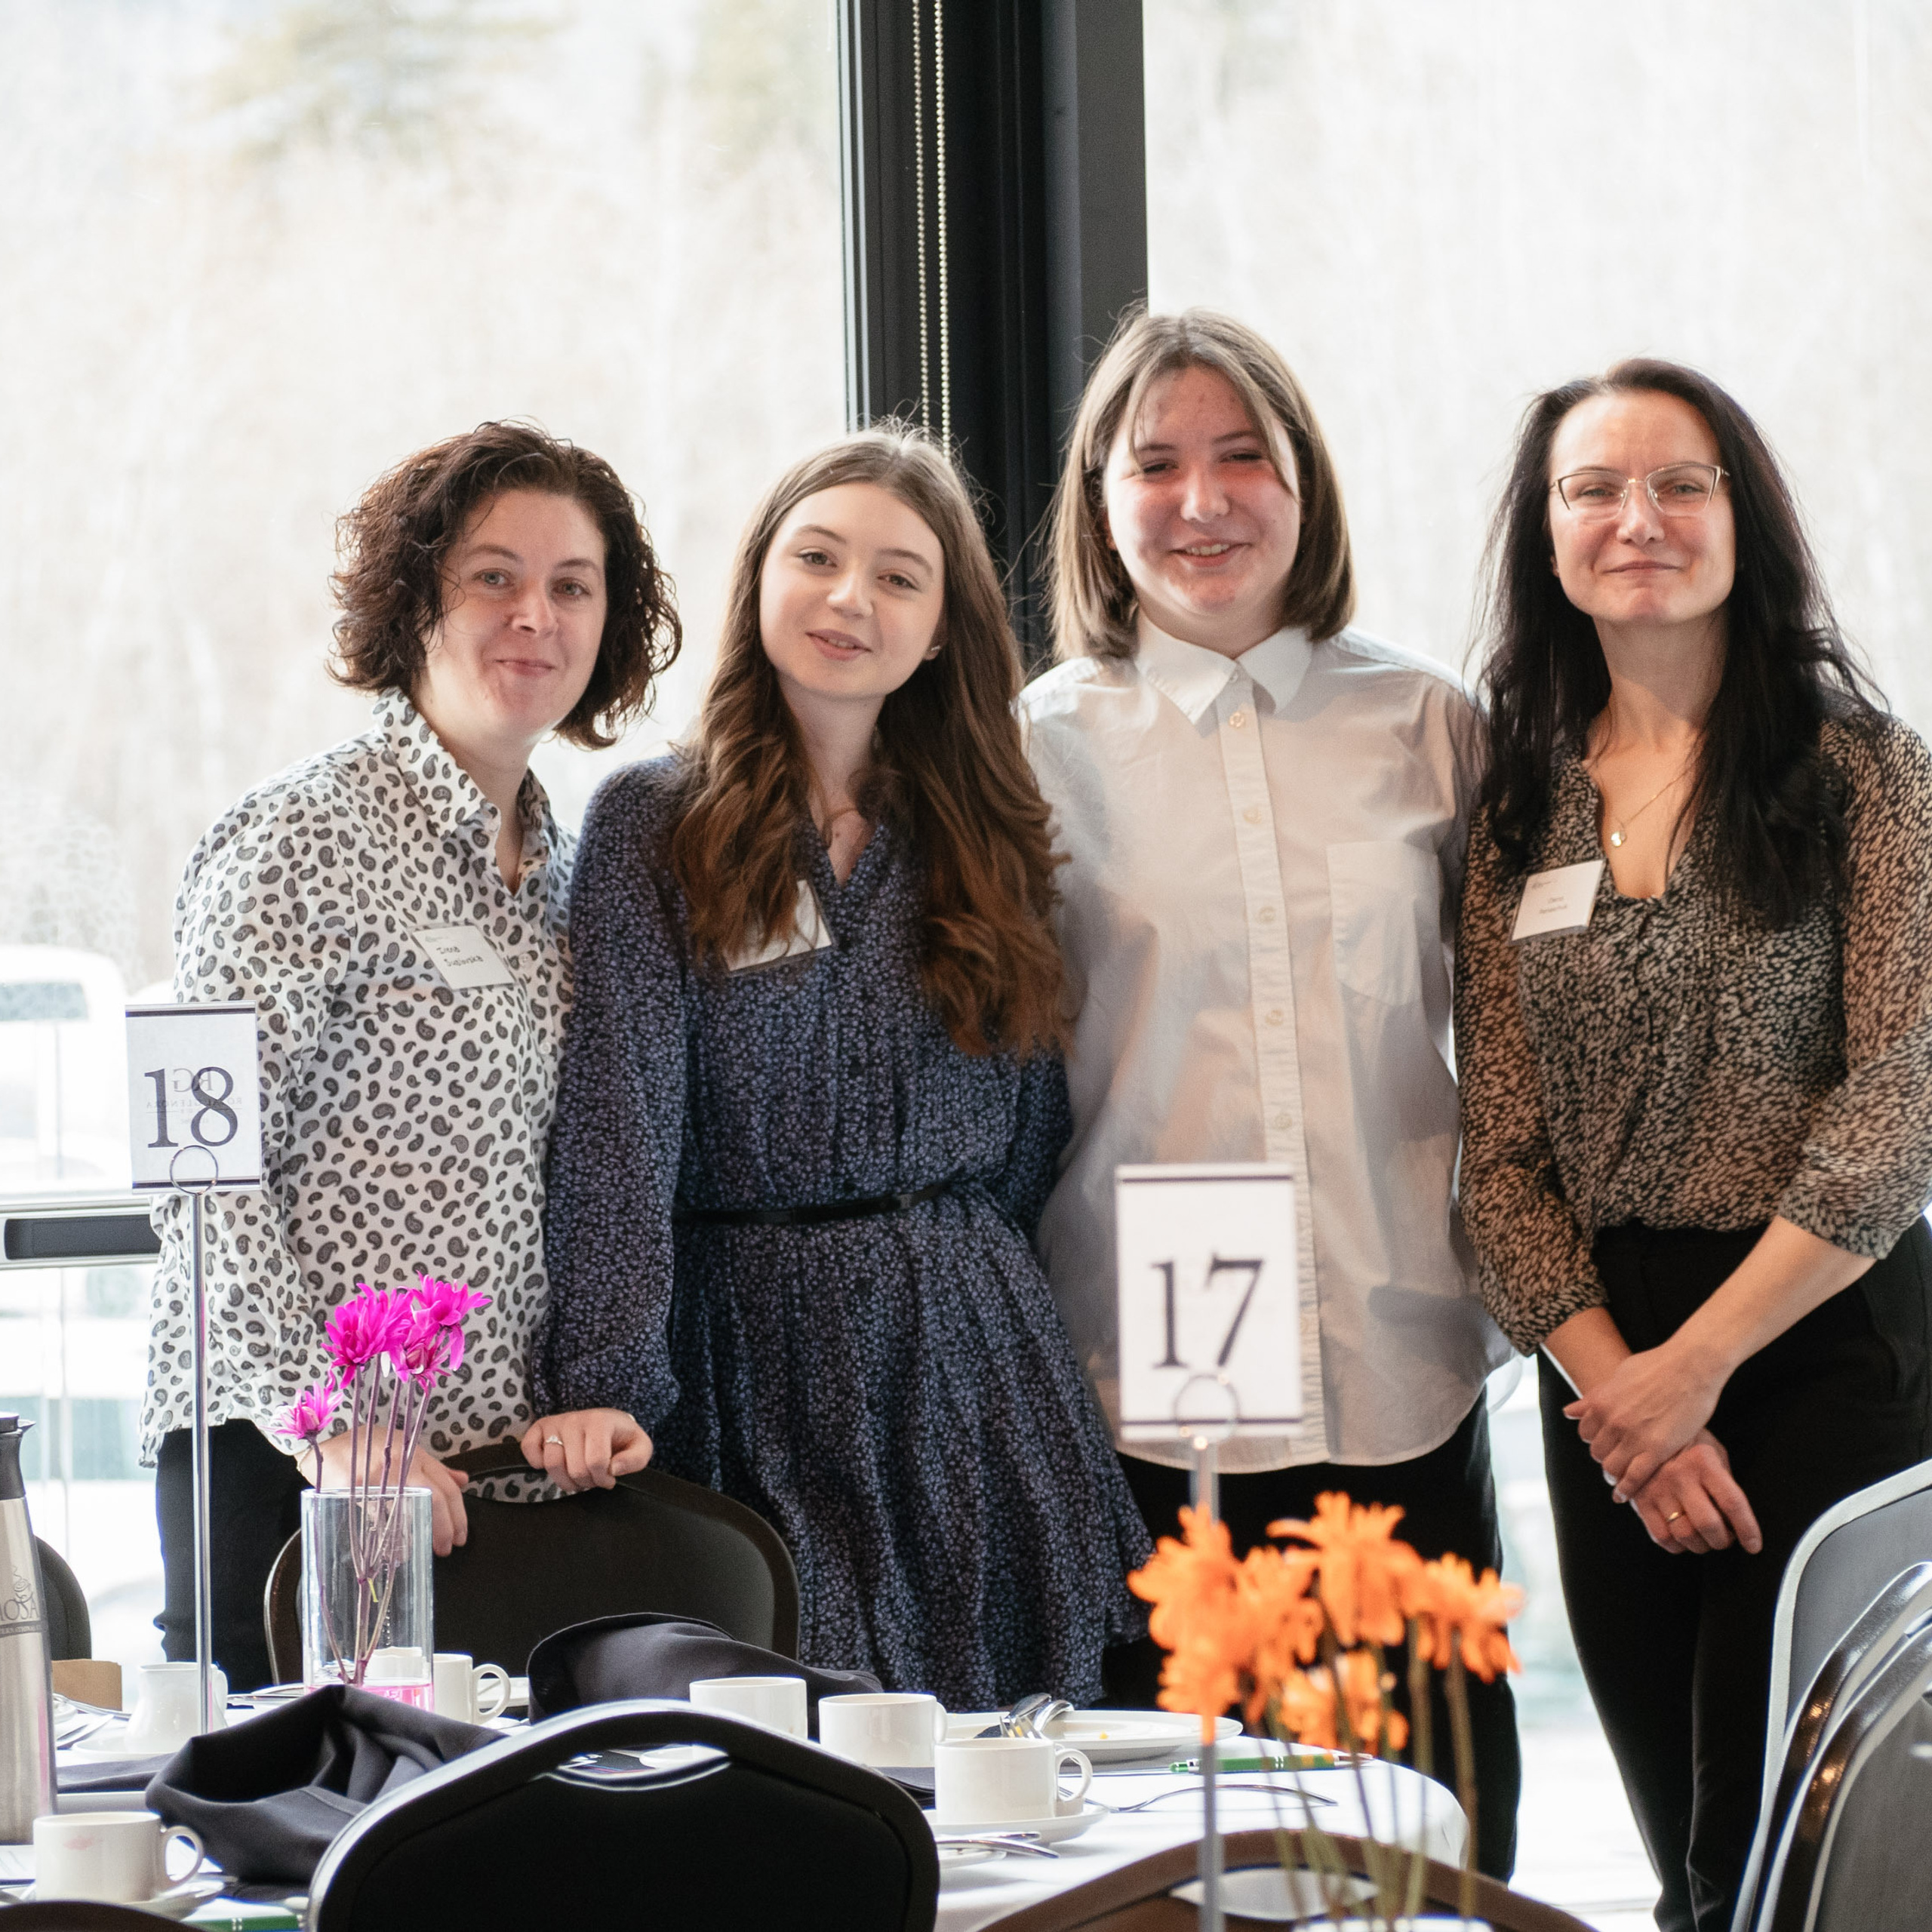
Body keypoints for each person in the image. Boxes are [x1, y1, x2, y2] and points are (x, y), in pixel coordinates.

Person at [534, 425, 1150, 1708]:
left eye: (898, 576)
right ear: (760, 579)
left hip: (967, 1348)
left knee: (1012, 1736)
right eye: (816, 558)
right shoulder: (657, 821)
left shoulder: (986, 827)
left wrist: (951, 1261)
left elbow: (1030, 1128)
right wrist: (606, 1379)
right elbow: (618, 1127)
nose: (849, 598)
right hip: (745, 1345)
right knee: (794, 1717)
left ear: (941, 633)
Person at [1018, 307, 1521, 1876]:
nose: (1201, 500)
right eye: (1154, 463)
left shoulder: (1427, 724)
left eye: (1242, 456)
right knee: (1192, 1856)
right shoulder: (1036, 748)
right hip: (1145, 1379)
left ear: (1304, 482)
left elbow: (1517, 1048)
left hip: (1394, 1352)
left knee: (1432, 1836)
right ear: (1100, 499)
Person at [1454, 357, 1932, 1931]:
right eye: (1592, 488)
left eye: (1678, 484)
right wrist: (1628, 1398)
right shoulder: (1517, 806)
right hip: (1604, 1373)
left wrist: (1695, 1371)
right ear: (1546, 534)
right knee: (1679, 1850)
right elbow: (1500, 1160)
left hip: (1818, 1339)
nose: (1635, 519)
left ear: (1744, 520)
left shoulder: (1862, 773)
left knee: (1783, 1858)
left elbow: (1901, 1101)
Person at [143, 423, 679, 1689]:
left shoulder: (562, 870)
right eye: (494, 577)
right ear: (415, 598)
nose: (534, 616)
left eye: (572, 586)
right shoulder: (296, 838)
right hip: (289, 1463)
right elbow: (191, 1170)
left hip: (480, 1477)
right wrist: (333, 1430)